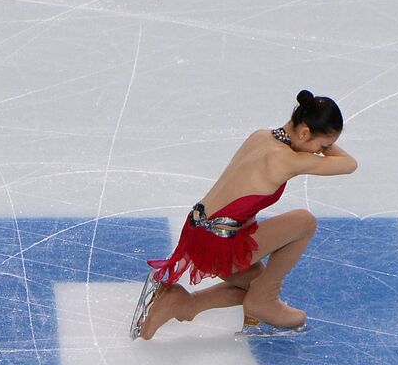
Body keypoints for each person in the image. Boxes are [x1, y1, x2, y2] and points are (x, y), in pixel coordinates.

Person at [131, 90, 356, 340]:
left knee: (253, 286)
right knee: (304, 222)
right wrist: (325, 137)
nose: (319, 152)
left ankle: (183, 303)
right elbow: (349, 165)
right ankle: (265, 299)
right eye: (322, 146)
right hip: (219, 244)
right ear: (304, 132)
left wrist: (319, 128)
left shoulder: (261, 136)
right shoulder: (287, 160)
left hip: (197, 232)